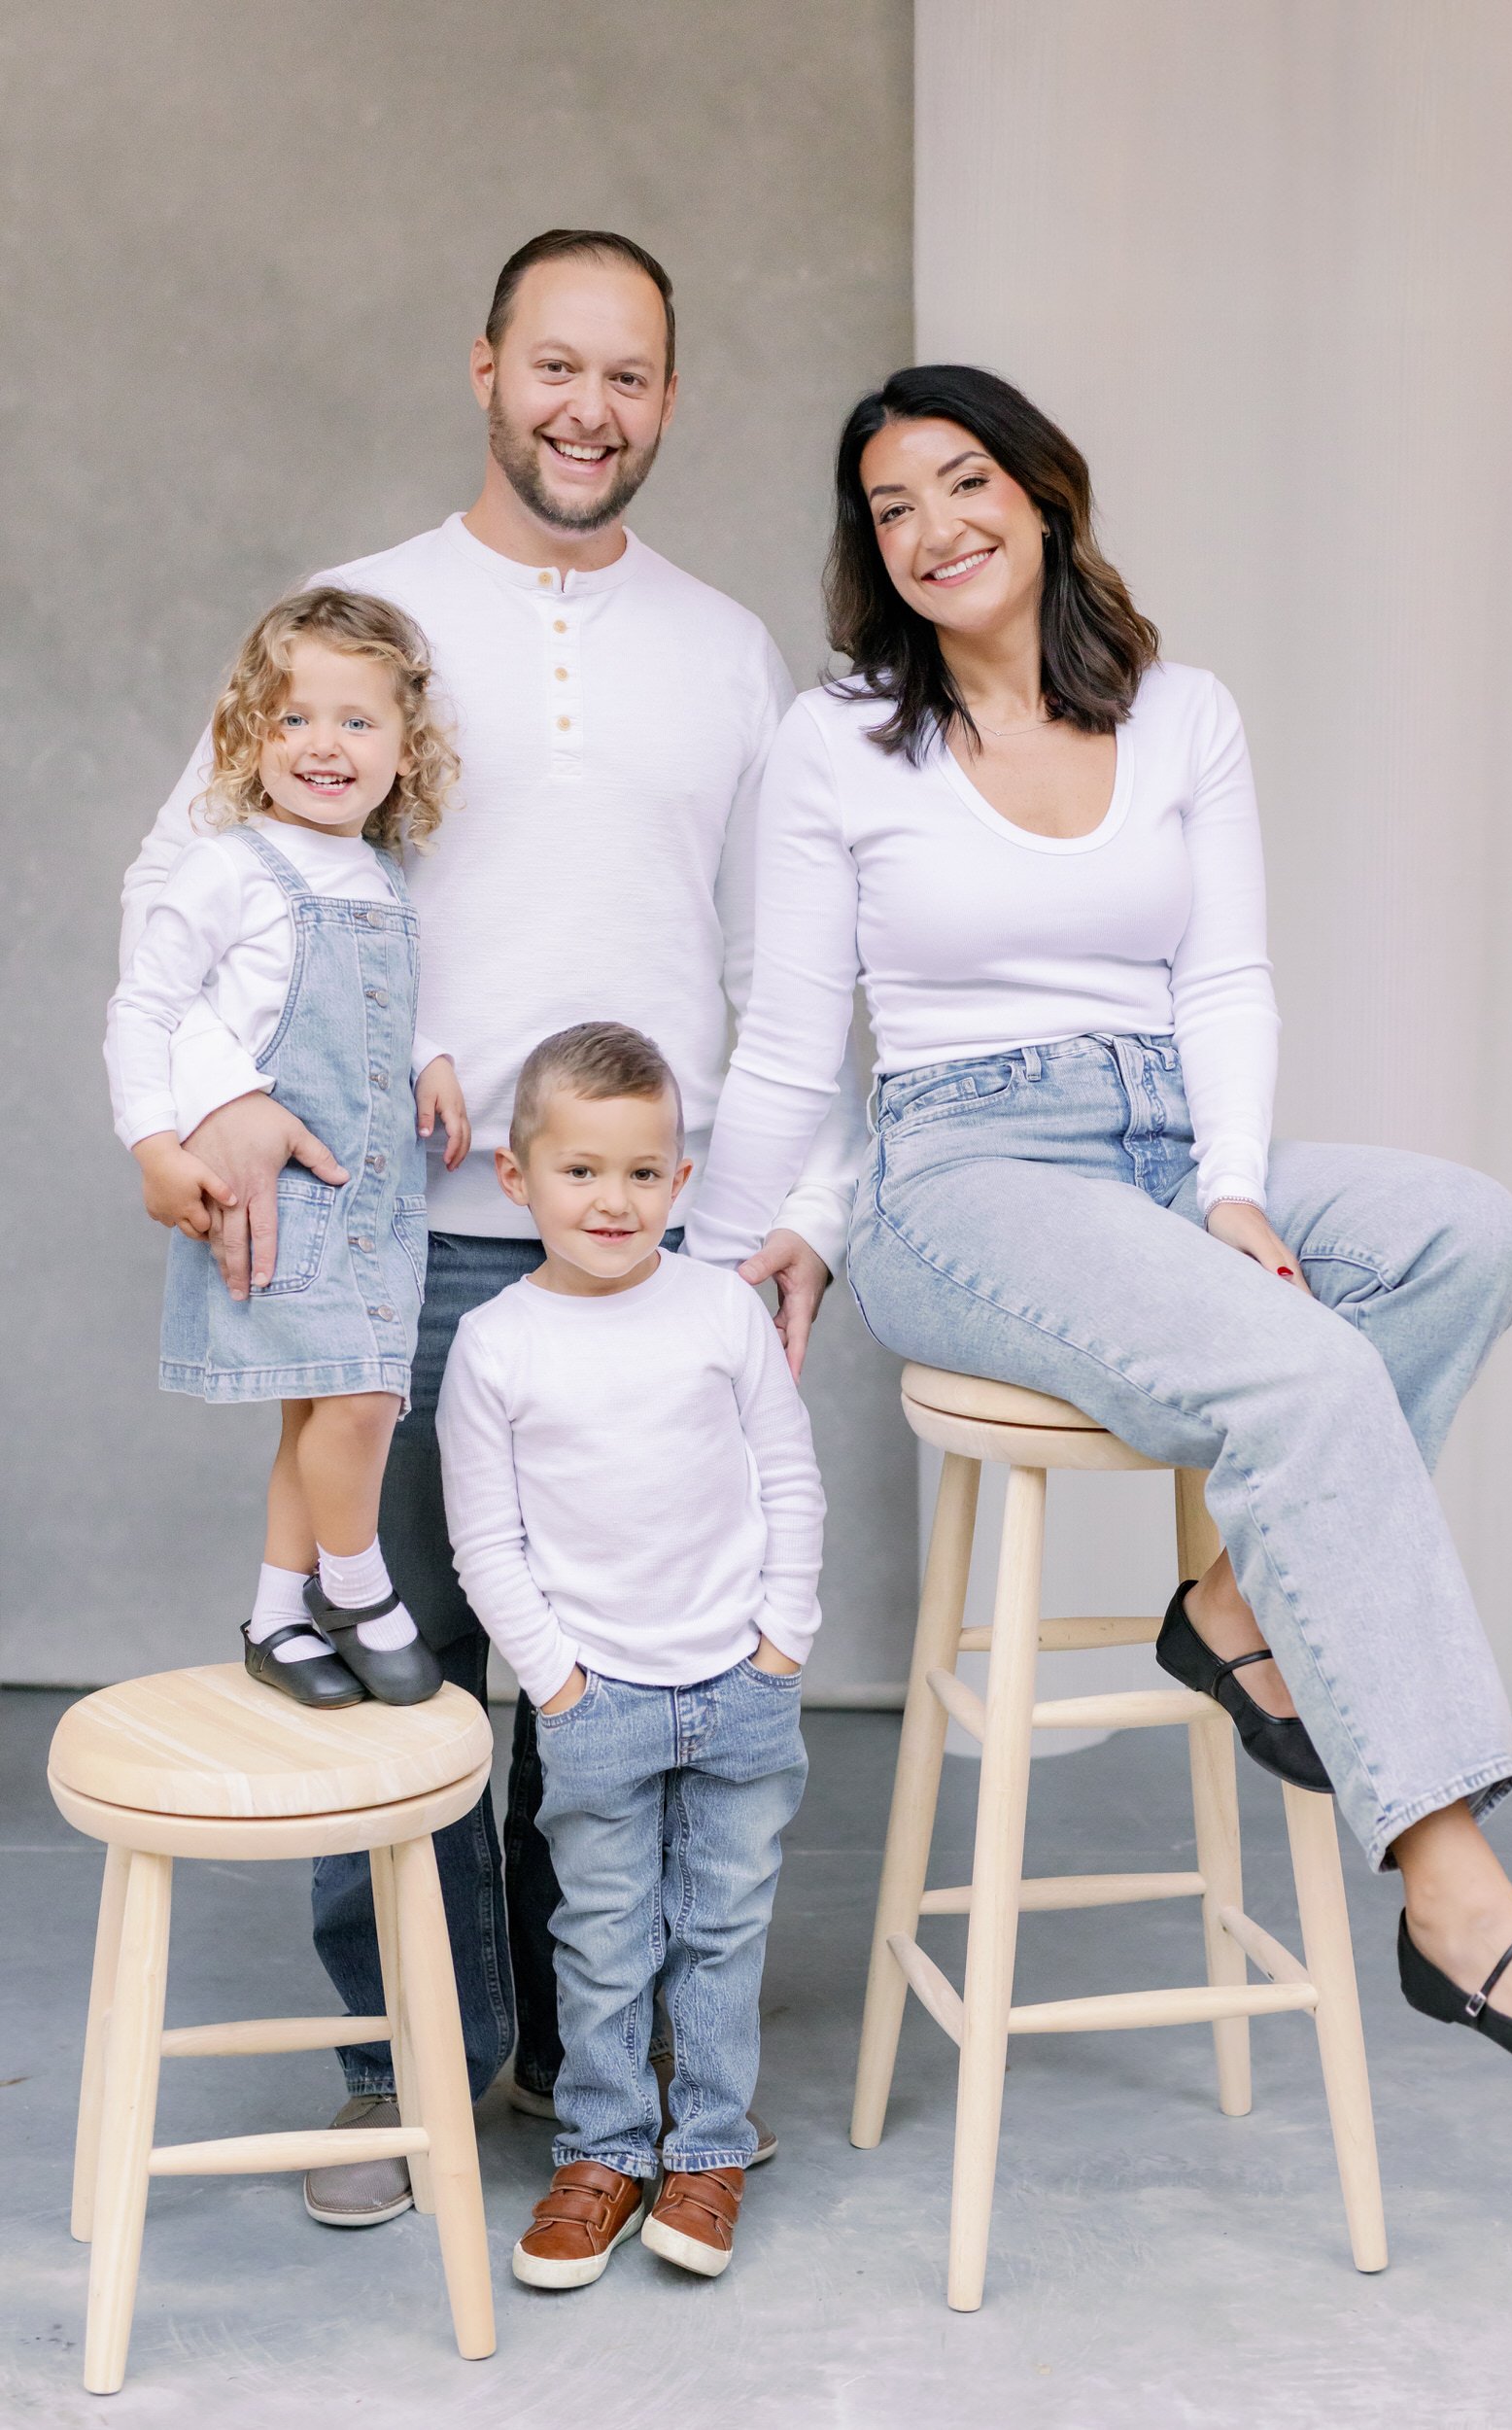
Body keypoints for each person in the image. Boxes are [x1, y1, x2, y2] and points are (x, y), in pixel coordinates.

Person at [687, 364, 1512, 2076]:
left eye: (961, 480)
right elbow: (790, 1041)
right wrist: (717, 1265)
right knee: (1300, 1377)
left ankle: (1231, 1607)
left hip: (1163, 1136)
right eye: (889, 508)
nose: (932, 528)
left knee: (1466, 1233)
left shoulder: (1179, 711)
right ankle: (1449, 1885)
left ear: (1042, 492)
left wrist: (1231, 1182)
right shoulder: (839, 740)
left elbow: (1222, 977)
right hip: (965, 1175)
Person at [118, 229, 858, 2225]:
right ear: (484, 368)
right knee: (411, 1668)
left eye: (626, 375)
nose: (585, 409)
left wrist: (803, 1206)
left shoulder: (726, 652)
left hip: (659, 1245)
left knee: (606, 1668)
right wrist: (185, 1115)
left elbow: (794, 965)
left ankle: (604, 2072)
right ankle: (412, 2065)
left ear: (668, 402)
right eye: (554, 365)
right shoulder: (363, 617)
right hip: (394, 1239)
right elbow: (190, 877)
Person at [438, 1023, 820, 2287]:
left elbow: (790, 1480)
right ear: (517, 1177)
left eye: (644, 1174)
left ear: (681, 1180)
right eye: (583, 1171)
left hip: (737, 1687)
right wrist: (557, 1685)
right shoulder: (499, 1344)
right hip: (596, 1699)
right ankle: (600, 2153)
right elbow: (485, 1542)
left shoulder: (718, 1309)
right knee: (602, 1939)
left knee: (723, 1931)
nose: (614, 1201)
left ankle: (705, 2152)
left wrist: (781, 1646)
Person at [106, 588, 465, 1714]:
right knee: (360, 1402)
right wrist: (155, 1144)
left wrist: (434, 1058)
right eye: (294, 718)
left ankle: (276, 1616)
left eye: (357, 721)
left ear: (406, 749)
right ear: (248, 735)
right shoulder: (228, 867)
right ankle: (357, 1587)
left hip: (377, 1197)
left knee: (325, 1411)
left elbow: (392, 1006)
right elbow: (143, 1007)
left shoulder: (384, 874)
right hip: (293, 1201)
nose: (324, 745)